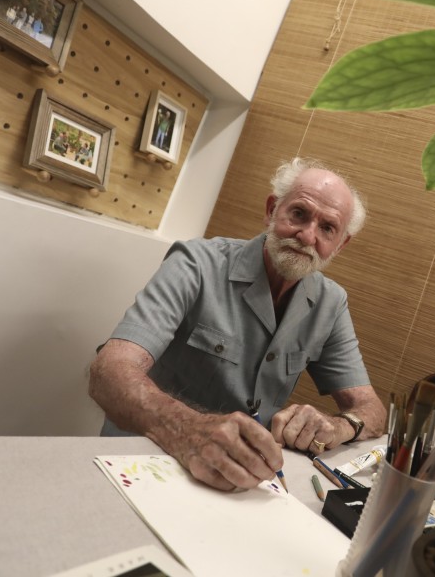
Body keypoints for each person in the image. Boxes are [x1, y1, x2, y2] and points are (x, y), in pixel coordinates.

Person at [88, 157, 386, 491]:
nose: (307, 235)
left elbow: (372, 410)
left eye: (327, 228)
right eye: (299, 214)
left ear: (341, 243)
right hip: (146, 461)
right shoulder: (196, 263)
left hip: (242, 480)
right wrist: (188, 428)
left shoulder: (331, 303)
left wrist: (337, 427)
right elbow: (108, 372)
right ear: (272, 210)